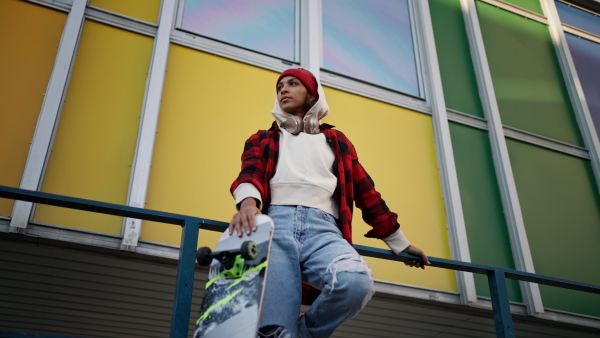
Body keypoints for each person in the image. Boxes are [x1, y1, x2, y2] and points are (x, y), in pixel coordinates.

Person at [229, 68, 430, 338]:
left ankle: (304, 334)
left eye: (293, 84)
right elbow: (249, 173)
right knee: (274, 331)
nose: (283, 90)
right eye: (279, 87)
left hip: (323, 231)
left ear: (312, 94)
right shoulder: (263, 139)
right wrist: (248, 204)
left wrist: (399, 242)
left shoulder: (338, 142)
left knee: (355, 282)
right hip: (275, 229)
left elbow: (367, 193)